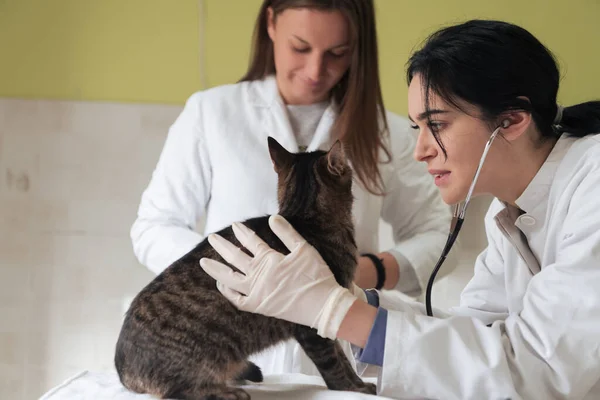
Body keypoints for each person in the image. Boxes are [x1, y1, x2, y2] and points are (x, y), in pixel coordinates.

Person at [200, 19, 600, 399]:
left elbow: (539, 371)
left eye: (437, 125)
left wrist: (334, 310)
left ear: (511, 120)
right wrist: (351, 296)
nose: (420, 150)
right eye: (417, 128)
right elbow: (476, 334)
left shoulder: (593, 184)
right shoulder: (509, 214)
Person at [130, 0, 451, 378]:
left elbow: (437, 234)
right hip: (231, 350)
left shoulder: (388, 133)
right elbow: (153, 226)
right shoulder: (212, 113)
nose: (316, 70)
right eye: (301, 48)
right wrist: (234, 272)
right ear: (271, 24)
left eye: (337, 53)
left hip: (338, 346)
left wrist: (361, 273)